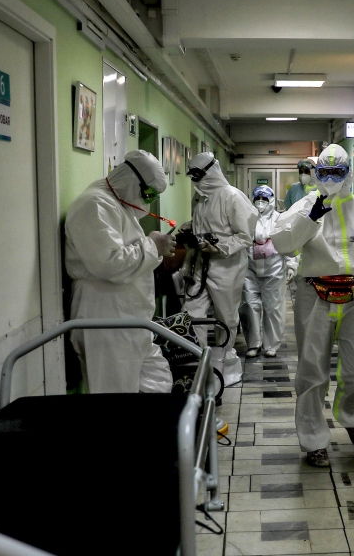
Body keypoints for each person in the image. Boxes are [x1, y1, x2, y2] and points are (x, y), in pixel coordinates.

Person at [271, 144, 354, 467]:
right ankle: (314, 439)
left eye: (336, 172)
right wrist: (310, 218)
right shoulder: (304, 206)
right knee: (312, 369)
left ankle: (352, 417)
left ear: (348, 174)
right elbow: (282, 243)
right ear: (316, 174)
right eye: (324, 173)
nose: (330, 179)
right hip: (314, 294)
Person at [64, 149, 176, 393]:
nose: (147, 201)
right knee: (114, 394)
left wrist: (153, 247)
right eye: (147, 194)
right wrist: (153, 246)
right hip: (105, 316)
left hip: (130, 318)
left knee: (157, 382)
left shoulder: (117, 204)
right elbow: (109, 264)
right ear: (131, 181)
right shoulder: (94, 204)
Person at [180, 152, 258, 387]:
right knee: (191, 312)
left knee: (226, 317)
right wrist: (190, 228)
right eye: (192, 175)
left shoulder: (232, 196)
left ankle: (223, 364)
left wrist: (220, 247)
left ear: (210, 172)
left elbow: (245, 236)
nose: (195, 180)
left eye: (198, 174)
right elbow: (203, 222)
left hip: (227, 266)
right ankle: (199, 362)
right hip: (200, 263)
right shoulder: (200, 197)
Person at [241, 185, 292, 358]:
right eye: (258, 199)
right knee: (249, 306)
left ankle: (271, 344)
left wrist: (291, 264)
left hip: (274, 269)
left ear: (271, 200)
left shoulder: (280, 219)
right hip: (250, 269)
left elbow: (289, 242)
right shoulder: (247, 217)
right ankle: (253, 344)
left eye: (264, 199)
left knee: (273, 308)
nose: (261, 202)